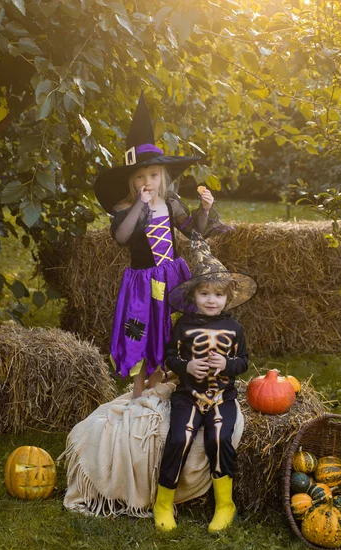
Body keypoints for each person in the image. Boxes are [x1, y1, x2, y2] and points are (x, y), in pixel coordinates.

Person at [94, 93, 229, 398]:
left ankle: (169, 380)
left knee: (171, 328)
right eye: (140, 176)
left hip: (171, 276)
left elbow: (193, 231)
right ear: (131, 179)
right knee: (143, 332)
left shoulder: (169, 203)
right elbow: (122, 237)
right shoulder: (126, 207)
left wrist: (205, 210)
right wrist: (139, 207)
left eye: (153, 175)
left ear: (162, 176)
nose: (148, 181)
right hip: (143, 282)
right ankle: (140, 391)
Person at [153, 234, 257, 532]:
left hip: (222, 396)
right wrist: (188, 366)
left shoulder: (234, 328)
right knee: (179, 438)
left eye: (218, 295)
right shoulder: (183, 324)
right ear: (194, 296)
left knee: (219, 438)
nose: (211, 300)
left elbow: (244, 362)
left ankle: (225, 505)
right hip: (188, 394)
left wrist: (227, 364)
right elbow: (170, 358)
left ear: (228, 298)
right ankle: (163, 502)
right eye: (204, 294)